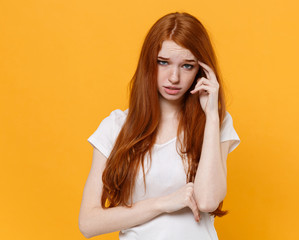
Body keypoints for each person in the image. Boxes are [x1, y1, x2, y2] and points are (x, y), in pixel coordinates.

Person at [79, 12, 241, 239]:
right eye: (163, 62)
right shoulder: (116, 127)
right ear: (149, 63)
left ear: (201, 71)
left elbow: (207, 200)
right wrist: (164, 203)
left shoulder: (215, 122)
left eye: (187, 66)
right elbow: (88, 223)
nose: (174, 77)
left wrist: (212, 115)